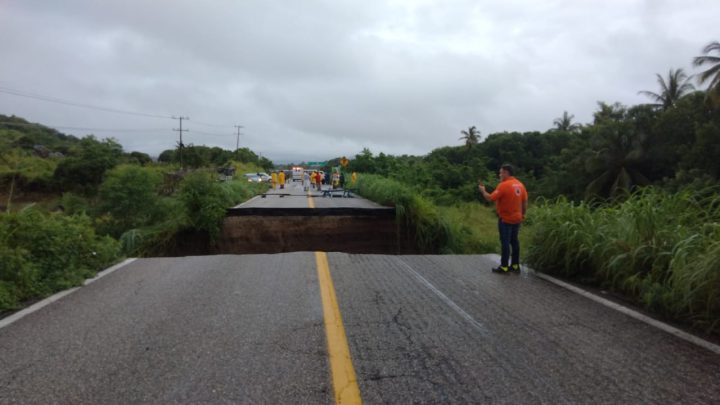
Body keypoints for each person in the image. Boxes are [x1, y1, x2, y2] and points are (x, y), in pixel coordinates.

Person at [478, 164, 528, 273]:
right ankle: (515, 265)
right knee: (514, 242)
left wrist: (482, 190)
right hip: (517, 219)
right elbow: (524, 203)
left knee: (505, 242)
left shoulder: (503, 185)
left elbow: (490, 198)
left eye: (501, 172)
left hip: (505, 220)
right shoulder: (520, 185)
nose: (499, 175)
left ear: (506, 173)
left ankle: (504, 266)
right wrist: (522, 215)